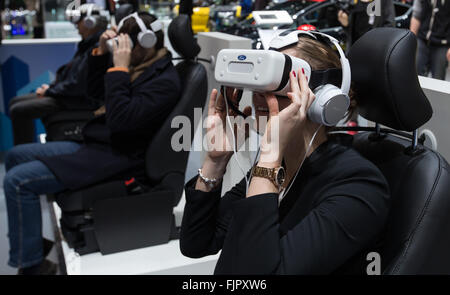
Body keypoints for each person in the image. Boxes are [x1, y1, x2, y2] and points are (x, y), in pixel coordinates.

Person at [180, 34, 390, 274]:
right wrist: (215, 161)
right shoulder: (280, 164)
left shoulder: (359, 186)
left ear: (322, 98)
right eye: (259, 85)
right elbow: (196, 243)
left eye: (277, 86)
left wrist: (269, 159)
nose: (260, 96)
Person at [3, 12, 181, 275]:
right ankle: (30, 243)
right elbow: (93, 93)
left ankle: (32, 266)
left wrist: (120, 68)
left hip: (119, 157)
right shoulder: (142, 67)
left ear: (146, 42)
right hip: (100, 145)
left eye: (127, 45)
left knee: (18, 181)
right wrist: (100, 55)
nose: (123, 50)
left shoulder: (164, 81)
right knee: (15, 156)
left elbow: (122, 121)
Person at [8, 4, 108, 145]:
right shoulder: (87, 45)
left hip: (75, 100)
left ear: (90, 22)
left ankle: (23, 151)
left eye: (78, 22)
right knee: (15, 102)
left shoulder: (96, 48)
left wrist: (49, 91)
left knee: (18, 109)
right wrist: (51, 88)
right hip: (66, 95)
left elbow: (78, 85)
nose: (76, 27)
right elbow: (72, 77)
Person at [410, 0, 450, 80]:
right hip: (422, 39)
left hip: (442, 44)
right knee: (414, 75)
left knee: (438, 80)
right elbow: (416, 16)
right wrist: (410, 41)